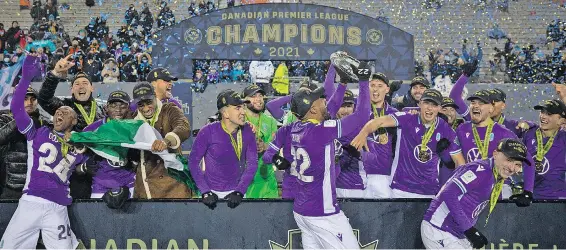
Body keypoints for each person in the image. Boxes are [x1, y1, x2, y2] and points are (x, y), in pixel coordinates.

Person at [1, 56, 88, 249]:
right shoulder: (37, 132)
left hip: (57, 208)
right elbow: (16, 108)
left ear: (74, 122)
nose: (59, 113)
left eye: (65, 112)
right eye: (57, 112)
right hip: (30, 202)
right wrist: (25, 78)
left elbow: (87, 165)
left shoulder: (79, 145)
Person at [288, 61, 371, 249]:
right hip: (323, 213)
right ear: (313, 109)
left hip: (302, 211)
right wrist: (364, 80)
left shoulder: (296, 128)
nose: (325, 99)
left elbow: (330, 108)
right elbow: (363, 114)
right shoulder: (320, 131)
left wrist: (343, 83)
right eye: (320, 99)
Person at [352, 89, 466, 198]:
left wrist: (457, 187)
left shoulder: (446, 129)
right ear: (420, 104)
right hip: (400, 189)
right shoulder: (407, 118)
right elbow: (378, 121)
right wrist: (363, 134)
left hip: (429, 192)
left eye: (434, 105)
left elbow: (459, 162)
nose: (429, 108)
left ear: (440, 108)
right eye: (426, 103)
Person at [421, 138, 530, 249]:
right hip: (439, 229)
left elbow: (475, 195)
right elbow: (448, 193)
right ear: (495, 154)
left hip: (457, 234)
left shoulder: (495, 174)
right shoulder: (481, 170)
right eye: (509, 160)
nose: (512, 168)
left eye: (517, 164)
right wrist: (469, 229)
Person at [38, 54, 105, 199]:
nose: (81, 86)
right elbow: (44, 99)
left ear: (92, 88)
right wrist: (55, 74)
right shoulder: (66, 107)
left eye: (85, 83)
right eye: (77, 84)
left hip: (102, 166)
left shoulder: (103, 109)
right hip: (75, 170)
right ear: (71, 90)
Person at [455, 90, 535, 201]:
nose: (476, 106)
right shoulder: (462, 129)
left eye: (481, 103)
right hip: (469, 186)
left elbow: (529, 161)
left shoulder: (504, 133)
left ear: (491, 109)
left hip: (498, 189)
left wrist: (527, 191)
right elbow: (454, 160)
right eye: (473, 102)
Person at [189, 89, 258, 209]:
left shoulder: (248, 131)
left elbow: (252, 164)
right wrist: (205, 191)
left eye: (243, 107)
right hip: (211, 195)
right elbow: (193, 163)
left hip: (238, 194)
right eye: (237, 108)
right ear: (225, 113)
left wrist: (240, 191)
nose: (243, 112)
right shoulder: (207, 132)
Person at [131, 82, 191, 199]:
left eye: (149, 103)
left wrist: (166, 141)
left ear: (155, 97)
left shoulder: (169, 109)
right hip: (144, 186)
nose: (146, 108)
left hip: (173, 184)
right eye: (141, 105)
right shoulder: (133, 120)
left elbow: (183, 127)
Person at [82, 91, 136, 199]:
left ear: (129, 108)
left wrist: (134, 160)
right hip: (101, 186)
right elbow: (80, 159)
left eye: (123, 106)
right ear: (106, 108)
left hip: (130, 184)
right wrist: (85, 165)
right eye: (113, 105)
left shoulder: (135, 128)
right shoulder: (92, 129)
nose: (118, 110)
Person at [0, 86, 50, 199]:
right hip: (11, 188)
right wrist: (21, 119)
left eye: (33, 99)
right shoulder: (4, 119)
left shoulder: (44, 124)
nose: (29, 102)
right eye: (24, 98)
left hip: (37, 189)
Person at [361, 72, 398, 198]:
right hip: (362, 174)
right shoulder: (359, 111)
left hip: (386, 176)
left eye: (380, 86)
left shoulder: (394, 115)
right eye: (372, 85)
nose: (375, 89)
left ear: (387, 89)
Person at [241, 85, 279, 198]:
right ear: (244, 100)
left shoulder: (271, 121)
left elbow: (276, 147)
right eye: (253, 96)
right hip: (245, 182)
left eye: (260, 95)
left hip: (267, 181)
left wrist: (265, 146)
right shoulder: (239, 120)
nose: (258, 99)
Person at [522, 100, 566, 199]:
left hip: (559, 197)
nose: (543, 116)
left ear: (561, 121)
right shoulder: (529, 134)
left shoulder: (563, 138)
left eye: (549, 114)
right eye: (542, 112)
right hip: (531, 196)